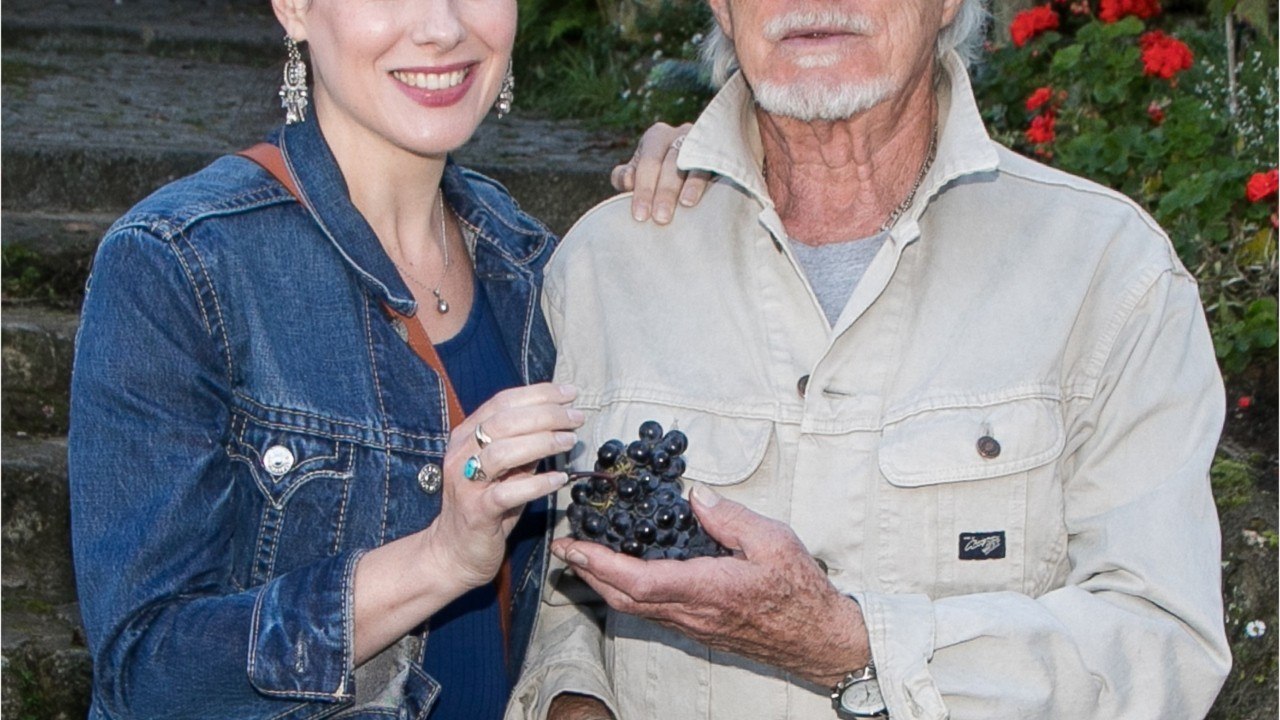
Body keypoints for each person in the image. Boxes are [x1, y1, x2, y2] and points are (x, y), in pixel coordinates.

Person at [510, 0, 1232, 718]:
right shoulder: (606, 265)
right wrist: (574, 696)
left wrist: (852, 643)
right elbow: (548, 591)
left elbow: (1163, 644)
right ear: (722, 9)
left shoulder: (1109, 273)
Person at [67, 0, 702, 717]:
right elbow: (148, 674)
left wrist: (711, 184)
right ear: (295, 9)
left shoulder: (531, 267)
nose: (440, 27)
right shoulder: (179, 265)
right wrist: (437, 560)